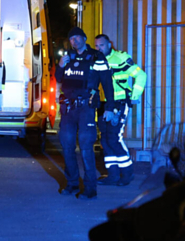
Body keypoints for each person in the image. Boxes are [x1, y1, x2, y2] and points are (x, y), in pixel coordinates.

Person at [55, 27, 114, 199]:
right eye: (71, 38)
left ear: (84, 38)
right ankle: (72, 184)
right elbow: (59, 78)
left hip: (86, 108)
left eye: (77, 37)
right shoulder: (68, 57)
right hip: (68, 108)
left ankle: (90, 188)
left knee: (86, 147)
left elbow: (107, 84)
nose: (74, 41)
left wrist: (110, 107)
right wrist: (60, 65)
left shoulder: (96, 57)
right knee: (67, 146)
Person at [94, 33, 147, 186]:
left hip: (119, 103)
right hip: (103, 105)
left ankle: (128, 173)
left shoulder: (121, 58)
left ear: (109, 44)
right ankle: (113, 175)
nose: (99, 48)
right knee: (104, 140)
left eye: (101, 45)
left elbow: (141, 75)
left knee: (114, 139)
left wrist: (135, 95)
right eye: (96, 46)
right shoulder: (96, 59)